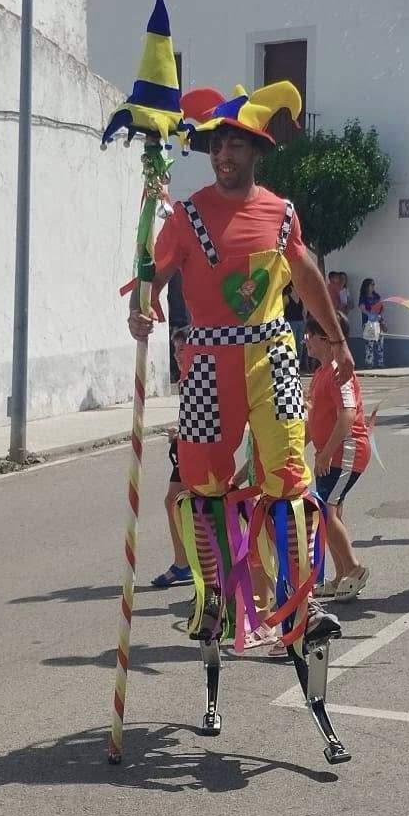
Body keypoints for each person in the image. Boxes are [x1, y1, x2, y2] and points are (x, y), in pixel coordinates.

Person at [127, 80, 352, 760]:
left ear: (257, 149)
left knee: (290, 480)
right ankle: (213, 597)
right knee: (204, 486)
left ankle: (299, 604)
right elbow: (151, 275)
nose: (223, 153)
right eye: (216, 143)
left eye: (234, 143)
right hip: (206, 367)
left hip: (272, 360)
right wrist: (141, 307)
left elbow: (305, 273)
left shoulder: (280, 213)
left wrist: (335, 339)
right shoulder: (186, 215)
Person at [303, 321, 372, 603]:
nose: (306, 341)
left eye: (310, 336)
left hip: (346, 450)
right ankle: (341, 575)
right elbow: (314, 421)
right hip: (329, 453)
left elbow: (347, 415)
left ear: (327, 339)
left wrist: (325, 451)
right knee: (330, 513)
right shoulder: (320, 373)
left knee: (326, 511)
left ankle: (354, 569)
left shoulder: (338, 372)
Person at [151, 327, 194, 591]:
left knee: (194, 506)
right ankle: (183, 562)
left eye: (182, 349)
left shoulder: (199, 376)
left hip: (199, 450)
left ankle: (203, 564)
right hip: (186, 447)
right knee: (174, 502)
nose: (177, 355)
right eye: (175, 350)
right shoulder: (184, 376)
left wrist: (185, 433)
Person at [358, 278, 385, 368]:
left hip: (377, 322)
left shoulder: (376, 296)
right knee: (369, 343)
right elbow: (362, 308)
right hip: (368, 322)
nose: (373, 286)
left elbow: (381, 307)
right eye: (371, 285)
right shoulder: (363, 297)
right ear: (366, 286)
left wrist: (379, 315)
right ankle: (369, 363)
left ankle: (380, 362)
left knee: (380, 342)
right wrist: (370, 315)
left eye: (374, 285)